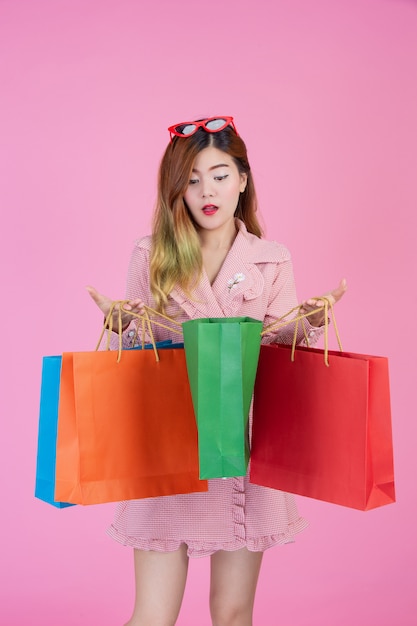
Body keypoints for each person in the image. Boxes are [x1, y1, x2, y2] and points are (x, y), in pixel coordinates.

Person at [87, 116, 347, 626]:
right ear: (177, 188)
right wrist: (124, 327)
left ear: (243, 180)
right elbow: (145, 358)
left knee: (232, 615)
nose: (208, 191)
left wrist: (310, 322)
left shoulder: (271, 259)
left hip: (245, 448)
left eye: (221, 174)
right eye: (192, 178)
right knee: (152, 616)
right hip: (169, 446)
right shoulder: (153, 254)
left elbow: (276, 351)